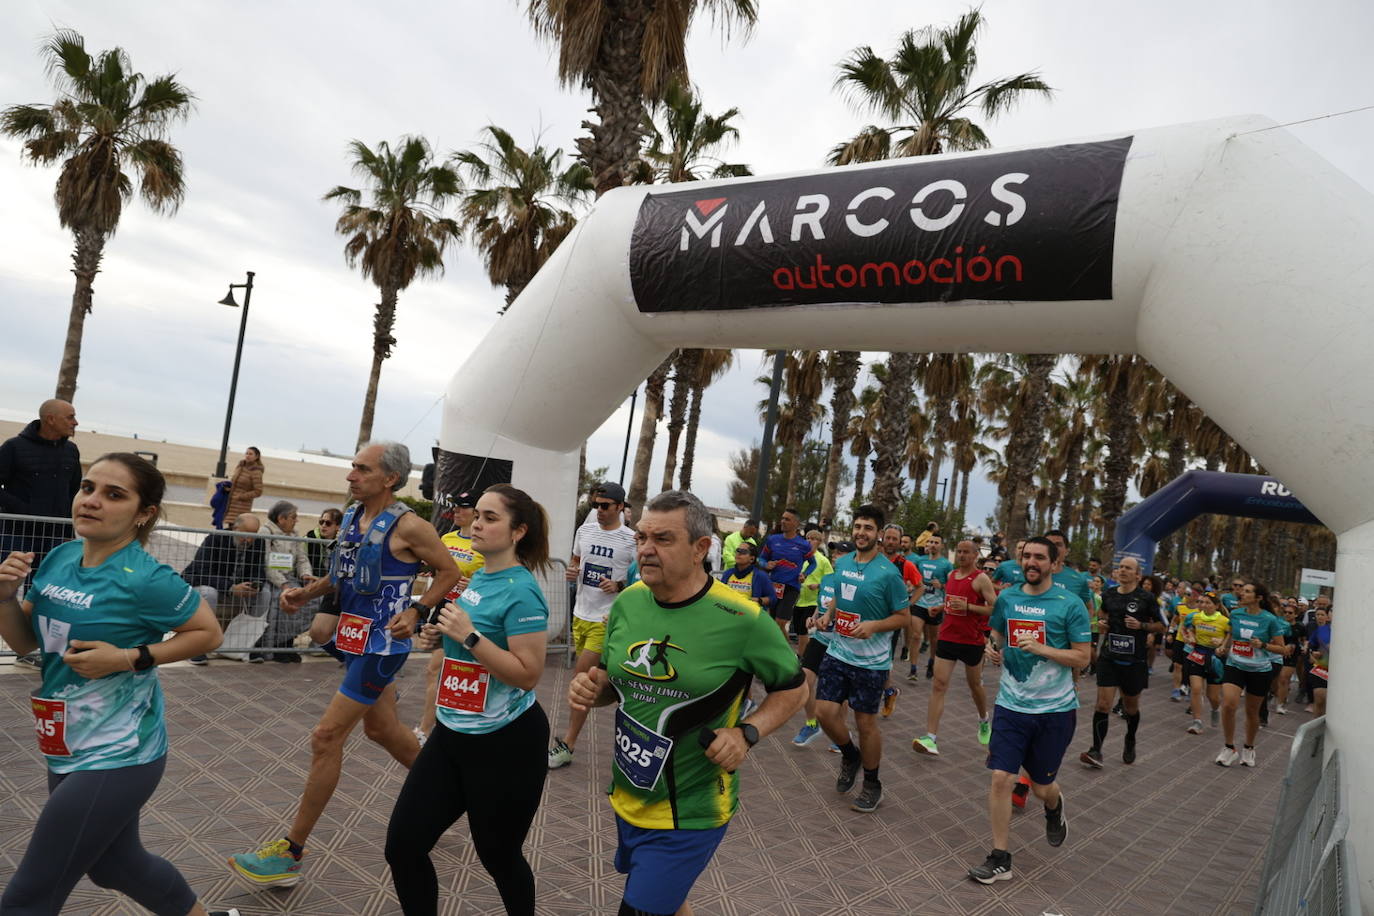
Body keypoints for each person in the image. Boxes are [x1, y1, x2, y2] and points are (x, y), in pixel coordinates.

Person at [0, 452, 238, 916]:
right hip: (65, 740)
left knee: (27, 898)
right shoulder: (59, 558)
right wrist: (4, 596)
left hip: (121, 750)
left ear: (144, 513)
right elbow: (27, 641)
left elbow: (208, 632)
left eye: (114, 494)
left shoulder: (147, 579)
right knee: (116, 866)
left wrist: (128, 658)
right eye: (87, 487)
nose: (91, 501)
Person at [228, 441, 460, 888]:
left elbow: (447, 572)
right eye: (351, 468)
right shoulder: (352, 517)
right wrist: (305, 592)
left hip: (381, 648)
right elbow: (341, 575)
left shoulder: (410, 526)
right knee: (382, 730)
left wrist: (417, 611)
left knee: (326, 736)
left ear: (390, 478)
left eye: (361, 469)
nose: (350, 476)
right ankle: (449, 791)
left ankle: (290, 853)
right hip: (352, 637)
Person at [568, 489, 805, 916]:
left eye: (663, 539)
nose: (646, 549)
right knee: (669, 903)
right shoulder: (627, 602)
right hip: (629, 795)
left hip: (691, 810)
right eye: (642, 537)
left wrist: (747, 732)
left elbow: (795, 686)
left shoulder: (743, 619)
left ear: (700, 548)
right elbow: (613, 682)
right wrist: (594, 690)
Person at [385, 485, 552, 915]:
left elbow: (528, 674)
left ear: (518, 531)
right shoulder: (478, 577)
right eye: (477, 514)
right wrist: (439, 636)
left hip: (506, 743)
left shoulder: (523, 591)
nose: (477, 523)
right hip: (453, 733)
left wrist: (469, 636)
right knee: (403, 846)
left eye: (491, 517)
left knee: (498, 856)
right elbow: (466, 645)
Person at [968, 536, 1091, 885]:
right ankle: (1000, 858)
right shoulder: (1008, 597)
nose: (1031, 562)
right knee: (1000, 778)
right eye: (1027, 556)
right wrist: (993, 649)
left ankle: (1054, 804)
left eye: (1040, 557)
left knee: (1040, 787)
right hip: (1011, 705)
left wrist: (1042, 648)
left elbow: (1083, 656)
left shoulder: (1070, 604)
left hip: (1055, 711)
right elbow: (996, 633)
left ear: (1054, 564)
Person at [814, 505, 911, 813]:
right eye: (857, 527)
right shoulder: (841, 564)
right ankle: (850, 755)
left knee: (865, 722)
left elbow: (904, 618)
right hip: (838, 652)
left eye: (868, 528)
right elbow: (839, 598)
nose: (861, 532)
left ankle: (872, 784)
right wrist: (826, 615)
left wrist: (874, 625)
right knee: (824, 712)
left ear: (879, 534)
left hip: (871, 663)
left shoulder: (889, 574)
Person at [547, 482, 637, 770]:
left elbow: (643, 578)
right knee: (598, 682)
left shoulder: (631, 539)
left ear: (620, 507)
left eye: (606, 506)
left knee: (581, 680)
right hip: (580, 614)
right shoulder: (584, 531)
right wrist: (573, 572)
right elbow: (576, 561)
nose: (599, 510)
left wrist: (620, 584)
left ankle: (568, 745)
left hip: (607, 619)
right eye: (596, 505)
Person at [0, 399, 81, 669]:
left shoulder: (72, 451)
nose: (75, 422)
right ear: (50, 419)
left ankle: (34, 649)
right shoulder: (13, 447)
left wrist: (70, 531)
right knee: (5, 590)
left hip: (56, 537)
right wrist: (24, 510)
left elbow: (74, 492)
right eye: (70, 417)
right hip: (17, 533)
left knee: (45, 593)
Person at [912, 538, 998, 756]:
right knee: (939, 685)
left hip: (971, 641)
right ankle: (930, 738)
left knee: (975, 686)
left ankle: (983, 719)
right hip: (948, 637)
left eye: (966, 552)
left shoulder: (981, 579)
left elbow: (995, 609)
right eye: (959, 551)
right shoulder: (951, 575)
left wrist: (969, 606)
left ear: (975, 555)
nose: (962, 555)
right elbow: (953, 601)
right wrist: (940, 607)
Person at [1078, 557, 1162, 768]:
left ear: (1137, 575)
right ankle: (1096, 750)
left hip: (1134, 661)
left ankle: (1130, 739)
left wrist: (1141, 626)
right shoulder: (1109, 594)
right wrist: (1103, 623)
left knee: (1130, 708)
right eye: (1120, 567)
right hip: (1109, 657)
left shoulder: (1147, 598)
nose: (1122, 570)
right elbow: (1102, 614)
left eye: (1128, 568)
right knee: (1103, 704)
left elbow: (1161, 625)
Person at [415, 491, 485, 742]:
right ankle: (426, 729)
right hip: (444, 607)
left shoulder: (482, 543)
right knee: (434, 669)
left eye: (463, 507)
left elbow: (493, 580)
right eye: (455, 506)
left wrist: (473, 585)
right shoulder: (446, 538)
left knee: (464, 672)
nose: (456, 511)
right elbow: (439, 570)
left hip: (469, 612)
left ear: (476, 512)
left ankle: (455, 729)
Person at [1214, 581, 1287, 768]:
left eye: (1247, 592)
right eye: (1242, 591)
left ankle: (1248, 747)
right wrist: (1224, 646)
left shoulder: (1270, 619)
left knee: (1252, 712)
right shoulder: (1236, 614)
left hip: (1259, 670)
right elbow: (1231, 635)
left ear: (1258, 598)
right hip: (1235, 665)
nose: (1241, 594)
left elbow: (1282, 649)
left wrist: (1262, 645)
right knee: (1229, 705)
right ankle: (1229, 748)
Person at [180, 512, 267, 664]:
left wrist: (256, 584)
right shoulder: (215, 538)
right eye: (245, 534)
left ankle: (249, 644)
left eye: (253, 534)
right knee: (209, 593)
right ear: (235, 528)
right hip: (206, 584)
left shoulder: (258, 542)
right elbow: (202, 572)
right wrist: (230, 587)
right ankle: (198, 647)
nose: (249, 539)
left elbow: (259, 569)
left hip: (237, 587)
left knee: (265, 594)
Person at [795, 540, 851, 747]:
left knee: (840, 694)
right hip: (819, 639)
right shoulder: (826, 579)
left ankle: (841, 733)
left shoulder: (853, 583)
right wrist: (813, 617)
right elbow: (820, 607)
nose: (836, 556)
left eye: (842, 553)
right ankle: (811, 724)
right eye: (835, 552)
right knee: (805, 683)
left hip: (840, 643)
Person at [252, 500, 317, 663]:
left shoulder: (294, 534)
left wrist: (306, 575)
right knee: (281, 600)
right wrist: (284, 585)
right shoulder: (265, 532)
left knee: (313, 599)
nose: (296, 520)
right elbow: (266, 563)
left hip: (291, 579)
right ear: (281, 519)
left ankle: (287, 641)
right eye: (293, 517)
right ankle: (277, 646)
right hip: (271, 579)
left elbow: (302, 559)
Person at [879, 524, 923, 713]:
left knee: (883, 659)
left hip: (891, 620)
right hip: (869, 614)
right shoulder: (873, 558)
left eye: (894, 539)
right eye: (888, 538)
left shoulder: (906, 565)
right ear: (882, 538)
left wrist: (908, 604)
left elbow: (920, 587)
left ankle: (885, 692)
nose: (890, 542)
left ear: (900, 542)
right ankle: (888, 690)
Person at [759, 507, 816, 641]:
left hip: (791, 587)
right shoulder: (773, 540)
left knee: (780, 622)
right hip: (773, 586)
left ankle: (789, 654)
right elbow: (761, 558)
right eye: (782, 518)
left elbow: (813, 564)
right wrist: (765, 565)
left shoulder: (803, 545)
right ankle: (775, 651)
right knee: (771, 623)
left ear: (796, 524)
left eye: (787, 519)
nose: (783, 521)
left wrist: (805, 574)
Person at [1182, 591, 1229, 734]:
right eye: (1202, 602)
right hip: (1198, 653)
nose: (1204, 605)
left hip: (1215, 658)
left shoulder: (1225, 621)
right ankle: (1197, 722)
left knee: (1212, 696)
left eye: (1208, 603)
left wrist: (1222, 643)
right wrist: (1190, 637)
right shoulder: (1195, 617)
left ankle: (1215, 709)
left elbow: (1231, 637)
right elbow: (1185, 628)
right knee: (1196, 689)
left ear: (1216, 606)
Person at [910, 533, 953, 680]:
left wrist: (941, 585)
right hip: (920, 603)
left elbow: (952, 587)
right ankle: (913, 669)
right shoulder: (919, 561)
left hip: (936, 606)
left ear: (941, 546)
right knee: (916, 635)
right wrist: (911, 586)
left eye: (936, 542)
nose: (932, 544)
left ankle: (931, 662)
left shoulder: (946, 564)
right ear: (926, 544)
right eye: (930, 542)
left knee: (935, 639)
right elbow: (912, 579)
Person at [794, 527, 834, 661]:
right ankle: (802, 655)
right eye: (807, 538)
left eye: (813, 539)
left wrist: (818, 585)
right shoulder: (801, 557)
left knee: (805, 630)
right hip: (798, 600)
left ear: (819, 542)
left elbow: (831, 582)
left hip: (813, 601)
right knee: (800, 631)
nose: (809, 541)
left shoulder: (823, 561)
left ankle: (802, 657)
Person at [719, 541, 773, 610]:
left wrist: (759, 600)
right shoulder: (727, 573)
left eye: (743, 552)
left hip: (749, 615)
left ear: (752, 559)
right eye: (738, 550)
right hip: (728, 613)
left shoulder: (761, 576)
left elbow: (772, 598)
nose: (738, 553)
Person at [224, 447, 264, 522]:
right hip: (230, 504)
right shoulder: (240, 466)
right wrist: (228, 488)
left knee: (237, 528)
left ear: (257, 457)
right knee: (229, 528)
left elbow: (258, 491)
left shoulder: (256, 471)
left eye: (251, 454)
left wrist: (241, 496)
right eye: (246, 453)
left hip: (242, 506)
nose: (247, 456)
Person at [1307, 607, 1331, 717]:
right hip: (1322, 667)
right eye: (1331, 611)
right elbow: (1311, 645)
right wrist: (1313, 653)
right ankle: (1315, 730)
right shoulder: (1321, 629)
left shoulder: (1348, 631)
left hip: (1340, 671)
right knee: (1319, 697)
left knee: (1330, 703)